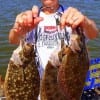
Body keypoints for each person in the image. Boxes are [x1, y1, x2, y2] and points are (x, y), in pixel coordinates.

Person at [8, 0, 99, 99]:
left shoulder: (70, 15)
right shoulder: (31, 18)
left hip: (65, 91)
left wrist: (85, 22)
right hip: (35, 89)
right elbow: (13, 40)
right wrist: (17, 30)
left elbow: (93, 33)